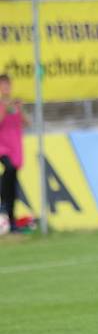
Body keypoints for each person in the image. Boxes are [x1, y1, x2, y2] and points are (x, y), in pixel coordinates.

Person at [0, 74, 28, 233]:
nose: (6, 88)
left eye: (7, 85)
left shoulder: (14, 105)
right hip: (2, 147)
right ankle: (3, 202)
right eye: (3, 85)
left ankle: (11, 222)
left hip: (15, 147)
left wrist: (20, 108)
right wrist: (5, 107)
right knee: (8, 169)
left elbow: (26, 122)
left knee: (13, 186)